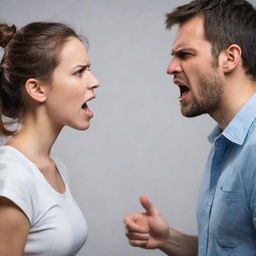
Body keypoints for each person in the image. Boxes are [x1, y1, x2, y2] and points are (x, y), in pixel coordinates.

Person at [123, 0, 256, 255]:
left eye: (185, 54)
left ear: (229, 58)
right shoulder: (226, 143)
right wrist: (167, 239)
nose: (170, 67)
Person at [0, 22, 99, 255]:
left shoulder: (57, 169)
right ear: (37, 89)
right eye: (79, 71)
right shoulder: (12, 178)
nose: (94, 81)